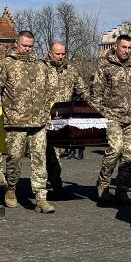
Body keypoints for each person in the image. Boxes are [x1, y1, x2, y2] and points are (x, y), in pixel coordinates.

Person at [0, 31, 58, 213]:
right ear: (17, 44)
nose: (27, 49)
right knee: (14, 159)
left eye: (30, 46)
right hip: (15, 123)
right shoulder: (6, 65)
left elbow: (48, 92)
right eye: (24, 45)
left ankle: (41, 197)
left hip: (38, 123)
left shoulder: (40, 67)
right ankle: (10, 189)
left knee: (40, 160)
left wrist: (48, 117)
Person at [89, 35, 131, 204]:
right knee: (115, 149)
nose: (126, 51)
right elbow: (95, 95)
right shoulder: (105, 66)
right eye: (123, 47)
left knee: (128, 157)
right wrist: (101, 115)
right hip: (112, 117)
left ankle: (122, 192)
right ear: (116, 46)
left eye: (129, 48)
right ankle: (103, 184)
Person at [45, 41, 88, 198]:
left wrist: (96, 108)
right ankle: (53, 187)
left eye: (63, 54)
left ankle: (54, 183)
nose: (61, 57)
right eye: (57, 54)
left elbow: (83, 90)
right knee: (46, 153)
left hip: (62, 120)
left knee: (56, 154)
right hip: (44, 119)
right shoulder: (41, 70)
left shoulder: (71, 71)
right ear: (50, 53)